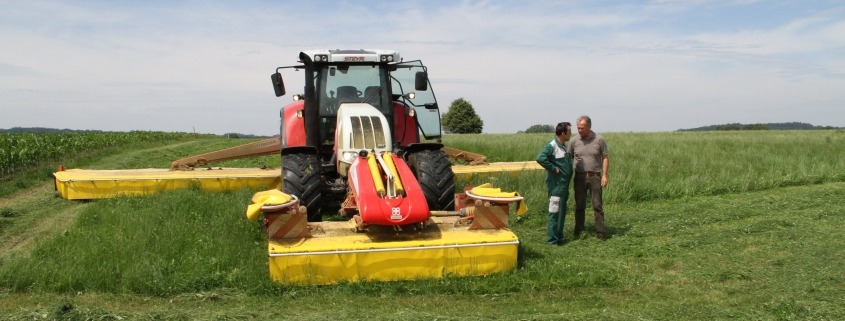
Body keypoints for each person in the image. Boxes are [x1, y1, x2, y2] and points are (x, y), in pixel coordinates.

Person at [569, 115, 609, 240]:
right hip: (579, 177)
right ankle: (579, 230)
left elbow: (605, 158)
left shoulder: (599, 140)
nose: (579, 131)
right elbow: (567, 158)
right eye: (578, 128)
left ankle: (600, 233)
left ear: (589, 126)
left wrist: (605, 175)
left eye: (582, 128)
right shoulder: (574, 141)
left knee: (597, 205)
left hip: (595, 177)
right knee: (579, 205)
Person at [535, 122, 573, 245]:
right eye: (569, 131)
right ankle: (552, 241)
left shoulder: (563, 145)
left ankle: (559, 237)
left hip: (563, 186)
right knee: (555, 211)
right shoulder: (552, 145)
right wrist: (553, 168)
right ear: (563, 133)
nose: (571, 134)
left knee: (561, 211)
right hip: (556, 185)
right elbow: (540, 158)